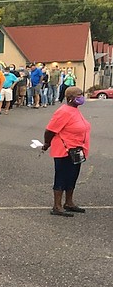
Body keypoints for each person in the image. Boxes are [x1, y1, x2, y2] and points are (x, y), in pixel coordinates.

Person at [41, 87, 91, 217]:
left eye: (82, 94)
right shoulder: (63, 111)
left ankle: (69, 202)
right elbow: (50, 130)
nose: (81, 97)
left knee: (73, 177)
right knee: (62, 177)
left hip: (77, 150)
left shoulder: (75, 110)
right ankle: (57, 206)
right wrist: (47, 143)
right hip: (65, 150)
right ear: (70, 98)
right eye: (78, 95)